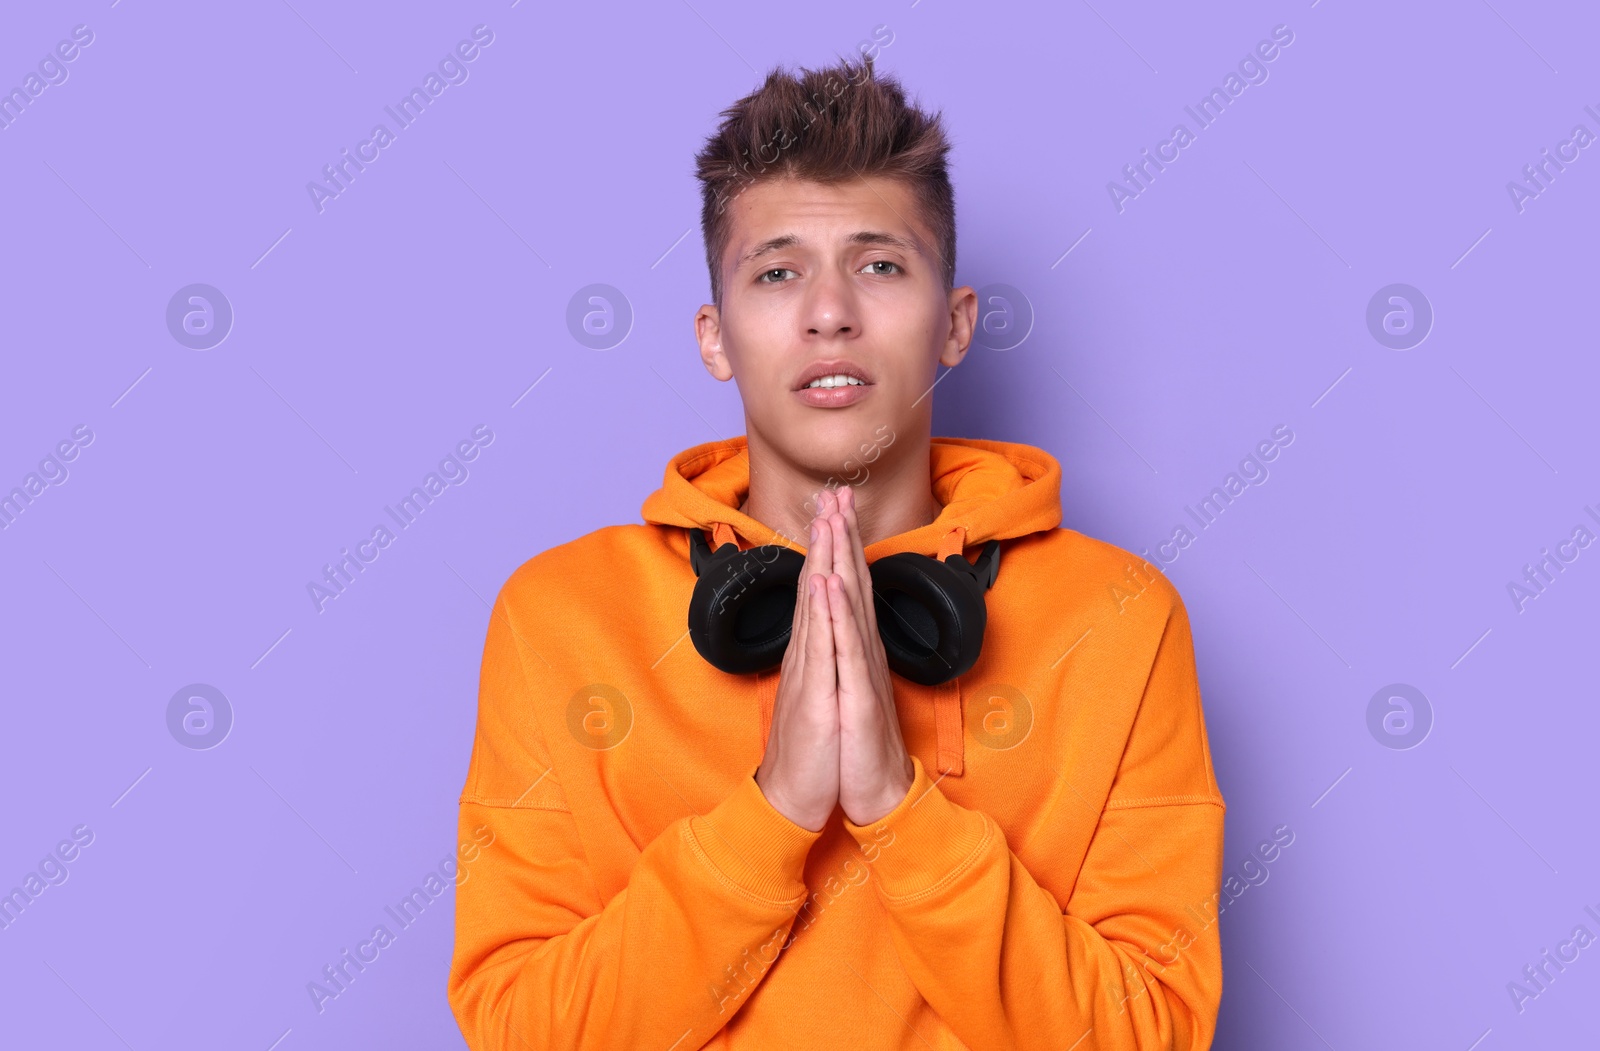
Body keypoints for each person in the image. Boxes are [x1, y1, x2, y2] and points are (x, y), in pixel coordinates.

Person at [448, 54, 1226, 1050]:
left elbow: (1147, 1035)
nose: (829, 312)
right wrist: (773, 813)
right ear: (714, 335)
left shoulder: (1122, 615)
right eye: (776, 271)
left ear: (953, 326)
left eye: (879, 264)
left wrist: (900, 810)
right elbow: (524, 1033)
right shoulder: (557, 614)